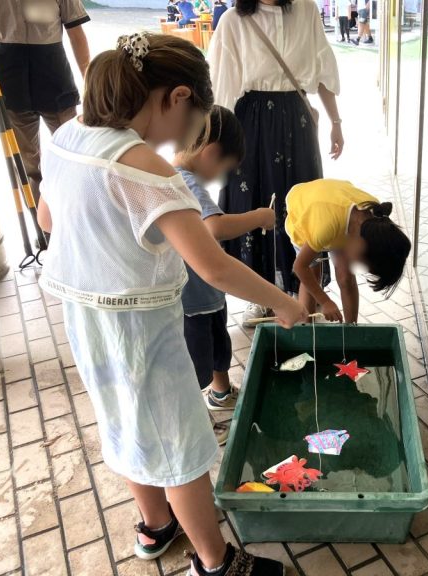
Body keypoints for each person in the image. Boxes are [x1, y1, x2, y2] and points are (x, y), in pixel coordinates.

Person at [36, 33, 303, 575]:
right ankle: (215, 561)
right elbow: (213, 266)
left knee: (126, 423)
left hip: (84, 320)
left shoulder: (67, 135)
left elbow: (47, 219)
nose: (184, 139)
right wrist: (284, 303)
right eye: (192, 122)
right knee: (180, 444)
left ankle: (156, 525)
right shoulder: (145, 169)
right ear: (177, 97)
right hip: (141, 329)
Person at [208, 0, 344, 326]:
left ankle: (304, 296)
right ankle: (261, 297)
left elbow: (323, 69)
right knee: (253, 203)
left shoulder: (306, 10)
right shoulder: (232, 21)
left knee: (305, 206)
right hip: (251, 126)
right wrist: (214, 143)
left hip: (297, 122)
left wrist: (336, 122)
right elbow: (221, 86)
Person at [173, 107, 276, 444]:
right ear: (211, 153)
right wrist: (258, 217)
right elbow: (214, 227)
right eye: (224, 169)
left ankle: (220, 393)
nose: (220, 177)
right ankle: (196, 425)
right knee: (194, 366)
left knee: (220, 346)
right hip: (191, 300)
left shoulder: (179, 175)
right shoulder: (186, 181)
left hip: (207, 294)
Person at [0, 0, 90, 207]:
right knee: (27, 165)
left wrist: (90, 82)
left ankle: (77, 211)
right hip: (9, 81)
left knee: (74, 153)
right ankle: (40, 220)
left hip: (54, 78)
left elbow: (76, 32)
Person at [286, 179, 411, 323]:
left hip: (338, 215)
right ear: (363, 244)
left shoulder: (375, 218)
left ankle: (351, 329)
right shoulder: (324, 228)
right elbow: (300, 267)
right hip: (304, 212)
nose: (359, 264)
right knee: (312, 276)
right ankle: (307, 332)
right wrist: (325, 301)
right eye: (362, 261)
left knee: (346, 277)